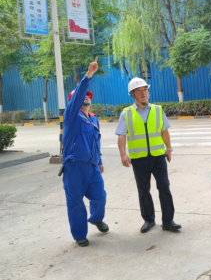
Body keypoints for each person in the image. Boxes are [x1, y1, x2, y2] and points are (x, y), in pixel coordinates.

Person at [115, 77, 181, 233]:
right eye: (139, 91)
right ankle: (149, 220)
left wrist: (169, 148)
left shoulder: (158, 110)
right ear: (132, 95)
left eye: (145, 90)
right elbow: (121, 135)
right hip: (139, 159)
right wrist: (123, 154)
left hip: (158, 157)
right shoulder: (126, 113)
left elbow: (164, 131)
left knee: (164, 187)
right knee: (143, 191)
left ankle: (168, 221)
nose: (143, 93)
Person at [62, 57, 108, 247]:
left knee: (100, 196)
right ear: (74, 101)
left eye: (88, 95)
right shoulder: (71, 115)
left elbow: (95, 142)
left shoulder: (94, 119)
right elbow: (80, 90)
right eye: (83, 95)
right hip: (74, 167)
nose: (86, 97)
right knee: (75, 202)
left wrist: (99, 160)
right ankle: (80, 234)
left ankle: (96, 218)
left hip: (92, 166)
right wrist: (89, 74)